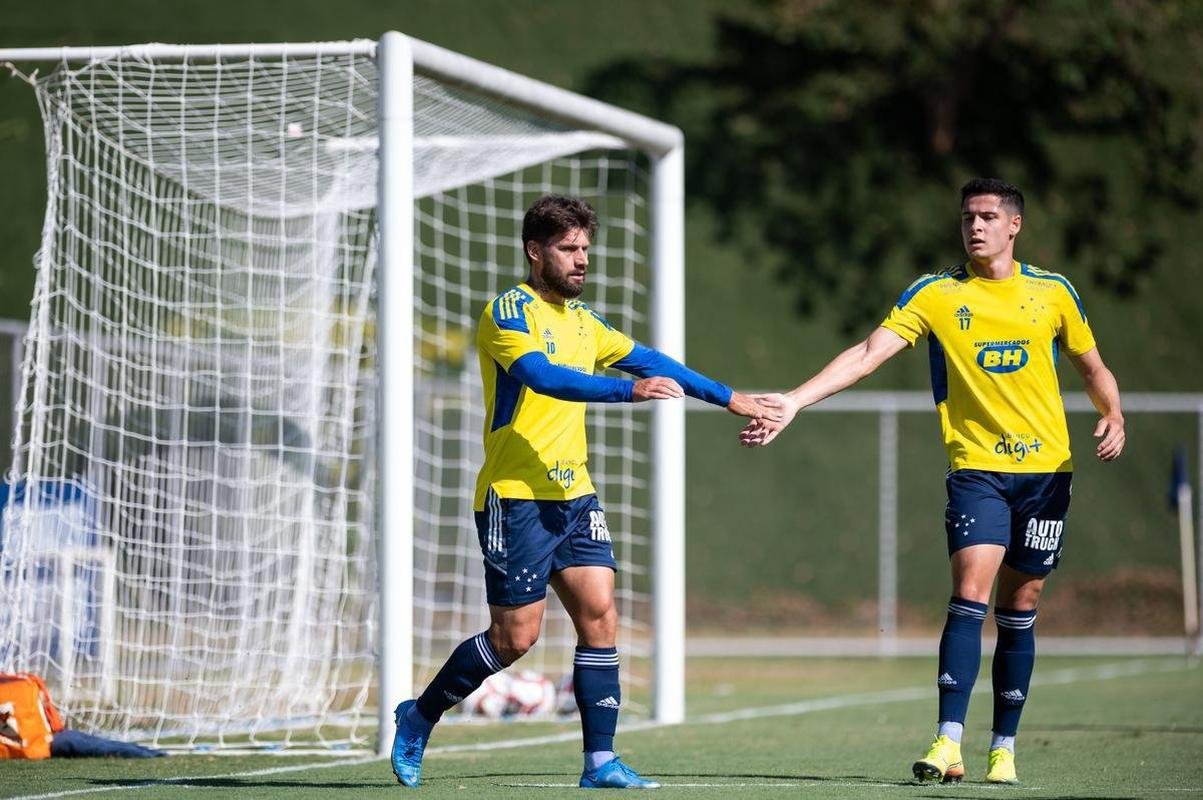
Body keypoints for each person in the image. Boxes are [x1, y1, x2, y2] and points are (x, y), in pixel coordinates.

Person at [740, 178, 1124, 785]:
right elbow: (867, 352)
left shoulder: (1053, 292)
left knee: (1021, 605)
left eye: (988, 216)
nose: (975, 226)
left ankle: (1004, 747)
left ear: (1014, 225)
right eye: (968, 216)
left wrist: (1113, 413)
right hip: (977, 470)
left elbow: (1093, 365)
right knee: (970, 591)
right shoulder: (937, 294)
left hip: (1047, 472)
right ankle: (948, 741)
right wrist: (793, 400)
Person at [391, 194, 770, 789]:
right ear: (534, 251)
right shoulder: (507, 313)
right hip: (515, 497)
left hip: (576, 497)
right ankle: (419, 715)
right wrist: (628, 394)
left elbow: (651, 359)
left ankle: (600, 763)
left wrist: (731, 398)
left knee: (601, 617)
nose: (580, 260)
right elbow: (542, 377)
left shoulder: (585, 322)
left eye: (585, 249)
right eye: (568, 249)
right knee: (516, 638)